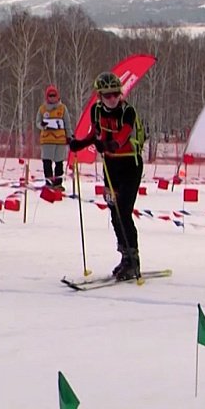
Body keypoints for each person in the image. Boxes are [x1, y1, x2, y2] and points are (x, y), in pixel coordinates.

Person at [69, 72, 146, 281]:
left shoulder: (127, 111)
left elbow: (124, 134)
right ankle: (124, 256)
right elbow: (95, 134)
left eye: (115, 94)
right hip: (111, 166)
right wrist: (80, 144)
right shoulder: (96, 110)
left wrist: (111, 145)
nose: (112, 98)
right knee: (113, 211)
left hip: (130, 164)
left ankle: (133, 259)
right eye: (107, 95)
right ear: (100, 96)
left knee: (124, 210)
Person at [35, 84, 73, 191]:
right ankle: (48, 182)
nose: (52, 98)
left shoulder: (62, 108)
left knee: (59, 162)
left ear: (57, 96)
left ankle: (58, 183)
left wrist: (69, 136)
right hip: (47, 140)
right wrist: (42, 125)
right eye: (50, 96)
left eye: (54, 95)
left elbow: (67, 123)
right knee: (47, 162)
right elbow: (37, 122)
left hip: (60, 140)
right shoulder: (42, 109)